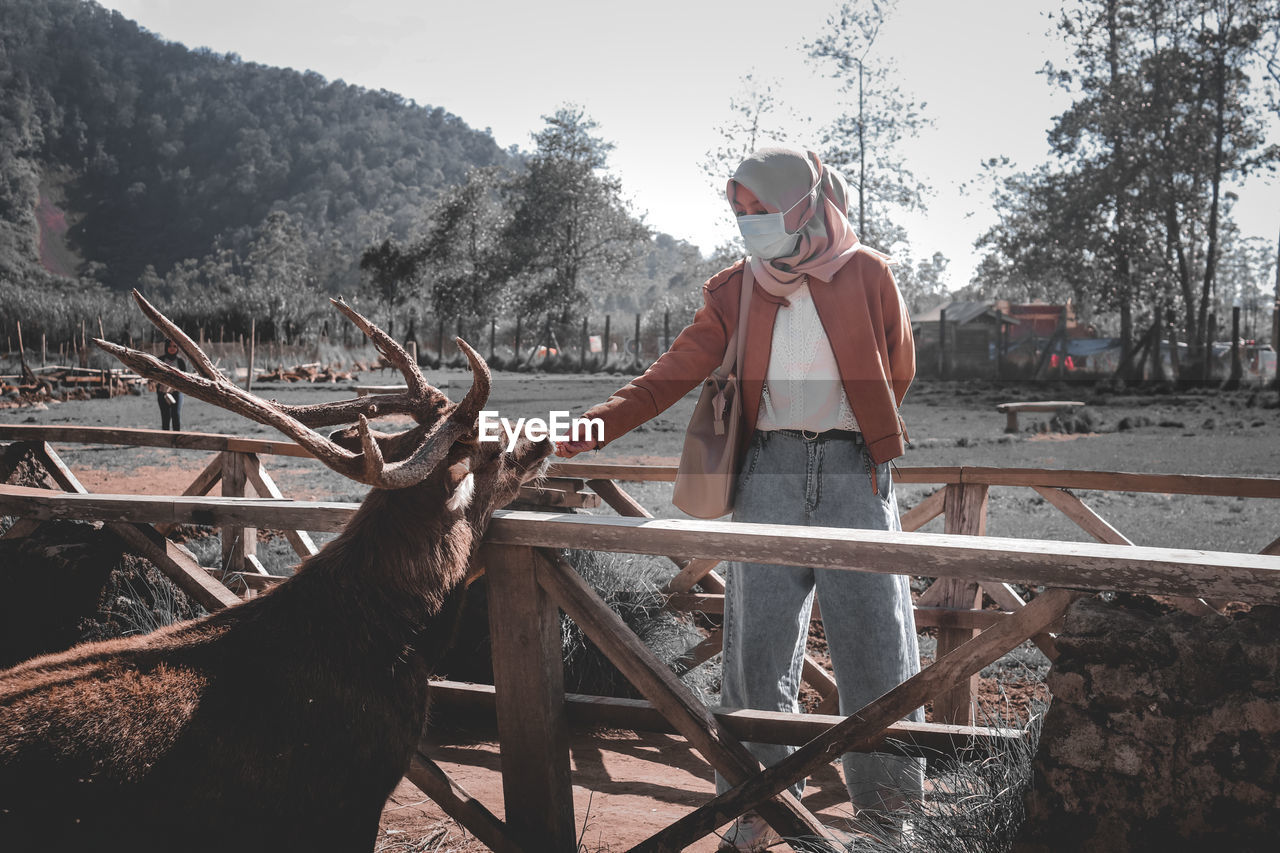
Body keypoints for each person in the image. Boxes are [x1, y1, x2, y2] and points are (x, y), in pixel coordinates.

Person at [557, 146, 921, 850]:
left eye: (763, 208)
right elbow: (666, 377)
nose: (751, 223)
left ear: (806, 201)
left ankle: (888, 824)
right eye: (740, 210)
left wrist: (855, 437)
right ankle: (752, 813)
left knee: (877, 649)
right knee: (757, 651)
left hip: (854, 471)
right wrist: (584, 429)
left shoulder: (869, 273)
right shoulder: (736, 289)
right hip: (769, 472)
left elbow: (898, 366)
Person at [156, 339, 187, 431]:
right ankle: (166, 439)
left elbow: (185, 378)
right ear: (166, 347)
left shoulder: (180, 362)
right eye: (170, 346)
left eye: (175, 346)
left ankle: (176, 439)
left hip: (176, 392)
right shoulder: (160, 360)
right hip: (163, 393)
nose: (172, 348)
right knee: (165, 416)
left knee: (176, 415)